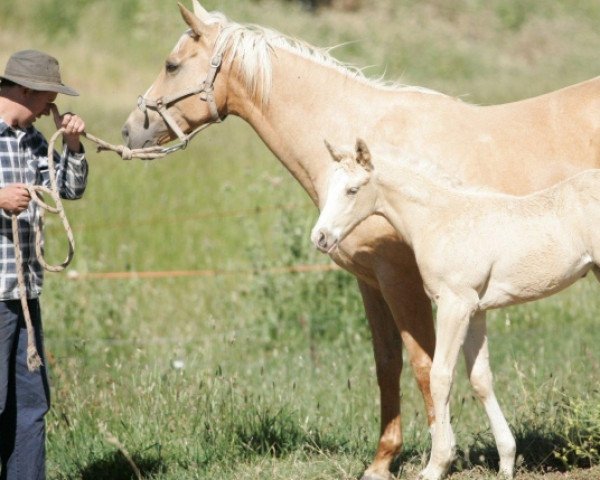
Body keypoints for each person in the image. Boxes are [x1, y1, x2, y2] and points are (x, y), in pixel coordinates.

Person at [0, 49, 88, 480]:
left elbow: (68, 190)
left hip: (24, 292)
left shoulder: (35, 140)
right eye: (48, 98)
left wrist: (71, 143)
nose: (51, 107)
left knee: (30, 404)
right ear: (27, 91)